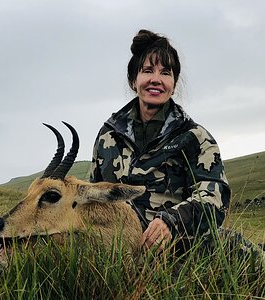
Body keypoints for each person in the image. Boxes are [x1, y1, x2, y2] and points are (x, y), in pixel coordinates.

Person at [90, 29, 231, 253]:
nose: (156, 79)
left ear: (173, 85)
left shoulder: (194, 137)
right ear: (133, 80)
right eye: (147, 71)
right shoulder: (108, 136)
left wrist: (171, 222)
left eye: (166, 72)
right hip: (115, 256)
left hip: (179, 250)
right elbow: (93, 198)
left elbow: (215, 198)